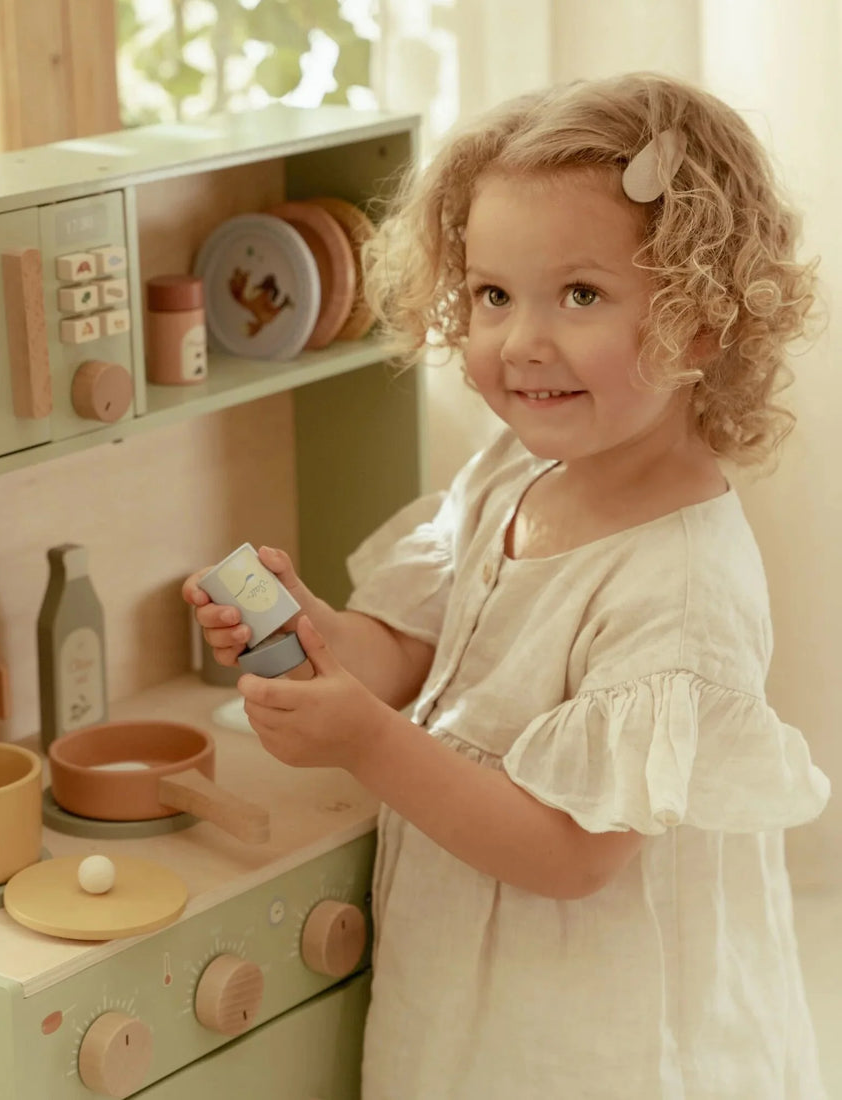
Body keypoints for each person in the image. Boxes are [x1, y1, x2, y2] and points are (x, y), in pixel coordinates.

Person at [182, 71, 831, 1098]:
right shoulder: (515, 469)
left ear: (702, 323)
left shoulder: (679, 582)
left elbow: (573, 855)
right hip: (476, 991)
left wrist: (361, 739)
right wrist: (318, 637)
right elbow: (413, 652)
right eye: (492, 294)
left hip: (601, 1036)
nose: (519, 342)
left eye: (579, 293)